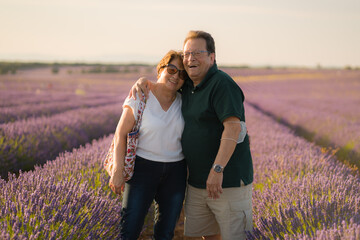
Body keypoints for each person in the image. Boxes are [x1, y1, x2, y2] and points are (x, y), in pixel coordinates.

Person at [131, 30, 253, 240]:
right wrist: (143, 81)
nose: (190, 59)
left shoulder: (222, 84)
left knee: (235, 236)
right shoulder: (188, 84)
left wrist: (217, 169)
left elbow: (233, 128)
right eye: (187, 54)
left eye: (197, 53)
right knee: (207, 235)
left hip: (226, 180)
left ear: (212, 57)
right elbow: (166, 82)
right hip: (197, 182)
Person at [109, 50, 188, 240]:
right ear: (160, 69)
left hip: (176, 171)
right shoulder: (140, 95)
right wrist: (118, 169)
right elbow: (120, 133)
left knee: (165, 233)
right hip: (142, 169)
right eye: (171, 69)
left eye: (182, 74)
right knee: (129, 229)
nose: (175, 76)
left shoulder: (185, 101)